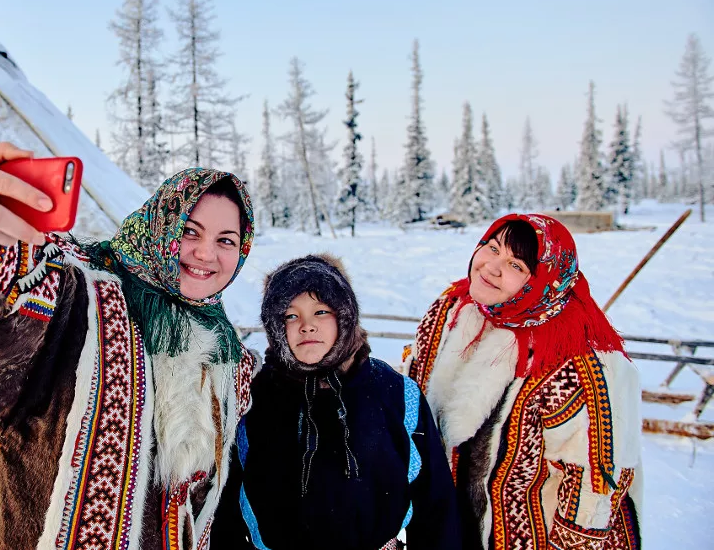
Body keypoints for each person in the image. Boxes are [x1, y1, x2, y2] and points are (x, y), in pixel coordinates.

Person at [0, 122, 258, 550]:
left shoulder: (228, 360)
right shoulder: (81, 304)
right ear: (162, 223)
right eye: (190, 231)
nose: (206, 253)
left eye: (226, 240)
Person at [403, 213, 643, 549]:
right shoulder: (451, 312)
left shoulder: (574, 357)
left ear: (543, 278)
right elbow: (409, 393)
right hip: (441, 524)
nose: (491, 267)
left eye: (516, 265)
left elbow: (594, 479)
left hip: (530, 537)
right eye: (491, 248)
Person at [211, 254, 461, 550]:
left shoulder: (394, 392)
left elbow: (436, 505)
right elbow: (223, 511)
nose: (306, 326)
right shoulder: (252, 397)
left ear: (345, 314)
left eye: (321, 311)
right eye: (290, 315)